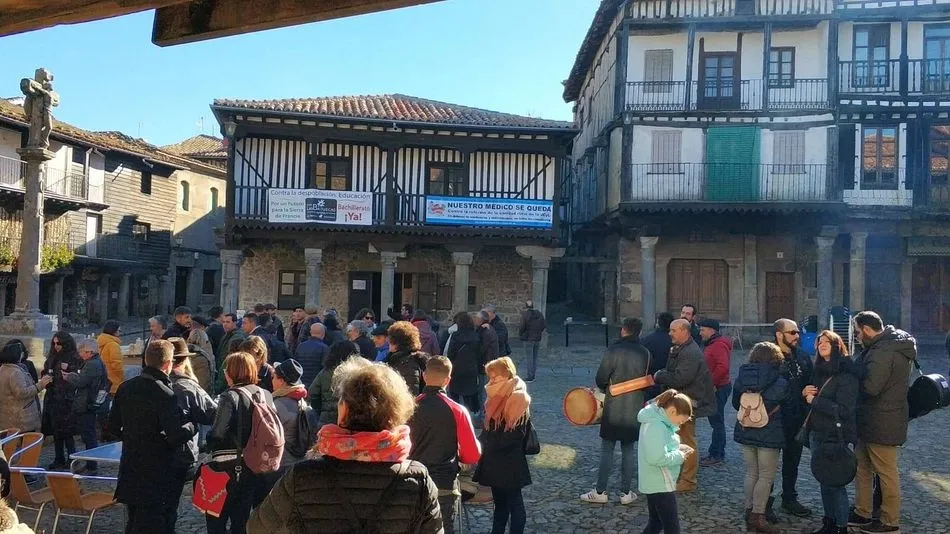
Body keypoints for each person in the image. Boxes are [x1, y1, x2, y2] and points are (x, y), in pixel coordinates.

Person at [247, 357, 443, 534]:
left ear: (344, 410)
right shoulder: (418, 480)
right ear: (397, 413)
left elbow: (256, 527)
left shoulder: (302, 476)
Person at [110, 340, 197, 534]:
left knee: (133, 522)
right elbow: (175, 436)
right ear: (167, 364)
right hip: (156, 472)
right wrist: (192, 426)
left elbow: (112, 428)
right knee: (154, 523)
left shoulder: (126, 387)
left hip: (131, 466)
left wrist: (134, 437)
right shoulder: (165, 394)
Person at [849, 311, 916, 534]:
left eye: (858, 333)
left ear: (867, 330)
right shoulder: (885, 345)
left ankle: (889, 521)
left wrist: (852, 376)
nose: (857, 337)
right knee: (863, 468)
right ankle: (863, 512)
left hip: (882, 420)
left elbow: (870, 387)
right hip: (873, 419)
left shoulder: (883, 351)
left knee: (886, 473)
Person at [206, 352, 278, 534]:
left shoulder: (230, 396)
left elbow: (217, 433)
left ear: (231, 373)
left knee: (216, 520)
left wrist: (206, 443)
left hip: (228, 468)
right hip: (256, 466)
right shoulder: (266, 395)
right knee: (242, 520)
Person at [581, 317, 650, 505]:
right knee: (628, 450)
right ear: (639, 332)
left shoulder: (613, 350)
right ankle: (625, 493)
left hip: (614, 405)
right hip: (635, 405)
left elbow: (601, 379)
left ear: (623, 330)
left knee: (607, 449)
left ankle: (600, 491)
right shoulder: (645, 353)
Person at [409, 356, 482, 534]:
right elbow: (472, 454)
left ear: (424, 376)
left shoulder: (408, 407)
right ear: (448, 380)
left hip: (412, 483)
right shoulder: (458, 410)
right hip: (443, 484)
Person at [804, 331, 859, 534]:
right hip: (818, 432)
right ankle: (828, 523)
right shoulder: (818, 370)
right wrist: (806, 393)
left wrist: (815, 401)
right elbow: (813, 400)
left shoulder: (846, 372)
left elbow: (844, 409)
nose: (822, 344)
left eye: (827, 341)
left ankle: (841, 526)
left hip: (837, 435)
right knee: (824, 478)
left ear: (837, 345)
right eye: (819, 342)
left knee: (836, 482)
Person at [732, 342, 790, 534]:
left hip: (746, 427)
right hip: (769, 430)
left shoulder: (742, 377)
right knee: (766, 476)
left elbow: (734, 403)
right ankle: (758, 515)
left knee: (751, 473)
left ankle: (748, 510)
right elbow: (789, 407)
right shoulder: (780, 380)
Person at [473, 356, 535, 534]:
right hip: (494, 461)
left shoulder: (518, 396)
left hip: (510, 461)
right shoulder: (495, 397)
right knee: (500, 505)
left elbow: (516, 434)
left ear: (507, 374)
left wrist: (489, 444)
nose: (491, 381)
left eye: (495, 377)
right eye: (490, 377)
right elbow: (489, 429)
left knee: (515, 503)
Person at [653, 319, 716, 492]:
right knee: (677, 440)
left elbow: (681, 378)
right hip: (681, 401)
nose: (669, 333)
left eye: (673, 330)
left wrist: (660, 375)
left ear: (684, 331)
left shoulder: (690, 353)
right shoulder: (682, 348)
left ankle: (688, 480)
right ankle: (680, 474)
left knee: (687, 442)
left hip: (687, 403)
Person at [167, 339, 217, 530]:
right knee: (170, 504)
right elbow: (210, 414)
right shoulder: (187, 386)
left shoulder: (148, 383)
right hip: (180, 454)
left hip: (150, 454)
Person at [771, 318, 814, 518]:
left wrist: (808, 391)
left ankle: (789, 498)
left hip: (796, 419)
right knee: (767, 466)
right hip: (773, 420)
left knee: (792, 463)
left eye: (797, 332)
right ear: (779, 335)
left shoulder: (803, 357)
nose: (797, 336)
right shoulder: (768, 356)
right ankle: (764, 504)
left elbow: (811, 382)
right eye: (792, 332)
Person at [637, 389, 694, 534]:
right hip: (660, 483)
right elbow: (656, 457)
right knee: (672, 528)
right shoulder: (657, 425)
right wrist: (680, 455)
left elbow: (659, 448)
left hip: (655, 480)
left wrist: (678, 447)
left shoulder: (657, 420)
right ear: (672, 411)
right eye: (681, 421)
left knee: (656, 524)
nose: (680, 425)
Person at [62, 339, 108, 474]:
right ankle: (90, 463)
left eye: (81, 352)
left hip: (87, 402)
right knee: (88, 434)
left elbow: (82, 381)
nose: (80, 355)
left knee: (89, 435)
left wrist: (68, 377)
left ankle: (92, 465)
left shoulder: (92, 364)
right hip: (90, 401)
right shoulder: (95, 362)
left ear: (89, 352)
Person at [42, 331, 81, 471]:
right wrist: (47, 379)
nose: (56, 346)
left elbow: (77, 376)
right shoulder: (52, 357)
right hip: (53, 397)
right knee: (56, 432)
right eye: (54, 343)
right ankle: (59, 458)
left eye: (59, 343)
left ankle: (72, 460)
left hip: (66, 399)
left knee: (67, 433)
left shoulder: (74, 357)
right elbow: (46, 370)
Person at [698, 318, 732, 467]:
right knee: (716, 420)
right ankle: (715, 452)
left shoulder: (718, 345)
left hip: (719, 388)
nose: (700, 332)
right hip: (717, 386)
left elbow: (722, 367)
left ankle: (717, 454)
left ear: (712, 331)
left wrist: (711, 384)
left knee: (717, 421)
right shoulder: (713, 344)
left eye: (702, 329)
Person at [0, 341, 48, 435]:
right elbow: (21, 393)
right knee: (23, 446)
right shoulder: (15, 372)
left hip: (8, 416)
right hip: (20, 418)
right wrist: (41, 385)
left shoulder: (3, 369)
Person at [308, 341, 357, 427]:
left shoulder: (325, 372)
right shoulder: (356, 372)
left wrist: (321, 409)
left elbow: (312, 392)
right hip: (350, 420)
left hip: (326, 420)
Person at [271, 359, 309, 466]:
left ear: (282, 381)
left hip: (282, 462)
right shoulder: (302, 402)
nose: (272, 380)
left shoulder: (277, 405)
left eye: (273, 377)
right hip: (302, 461)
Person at [446, 311, 481, 415]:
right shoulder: (475, 336)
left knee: (454, 397)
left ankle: (455, 418)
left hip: (456, 369)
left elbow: (450, 353)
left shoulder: (455, 336)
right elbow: (479, 353)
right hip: (471, 369)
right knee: (468, 398)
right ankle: (467, 419)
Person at [385, 321, 430, 395]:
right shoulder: (401, 358)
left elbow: (411, 392)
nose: (388, 341)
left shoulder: (408, 362)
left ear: (397, 342)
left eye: (390, 339)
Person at [641, 312, 675, 400]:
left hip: (649, 381)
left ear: (657, 323)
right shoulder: (676, 341)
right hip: (670, 382)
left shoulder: (646, 340)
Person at [215, 313, 246, 393]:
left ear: (235, 323)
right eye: (223, 322)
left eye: (228, 322)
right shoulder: (226, 335)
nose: (225, 324)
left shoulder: (237, 337)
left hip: (230, 372)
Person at [518, 300, 546, 382]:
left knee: (529, 358)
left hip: (528, 338)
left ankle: (530, 376)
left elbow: (522, 327)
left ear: (526, 306)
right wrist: (538, 332)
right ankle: (533, 374)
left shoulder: (525, 315)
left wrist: (521, 334)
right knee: (535, 357)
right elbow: (543, 325)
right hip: (537, 338)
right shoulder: (539, 314)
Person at [98, 320, 126, 396]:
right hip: (114, 382)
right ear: (113, 331)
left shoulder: (100, 342)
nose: (120, 333)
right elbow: (117, 365)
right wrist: (123, 378)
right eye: (119, 331)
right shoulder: (113, 345)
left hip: (103, 381)